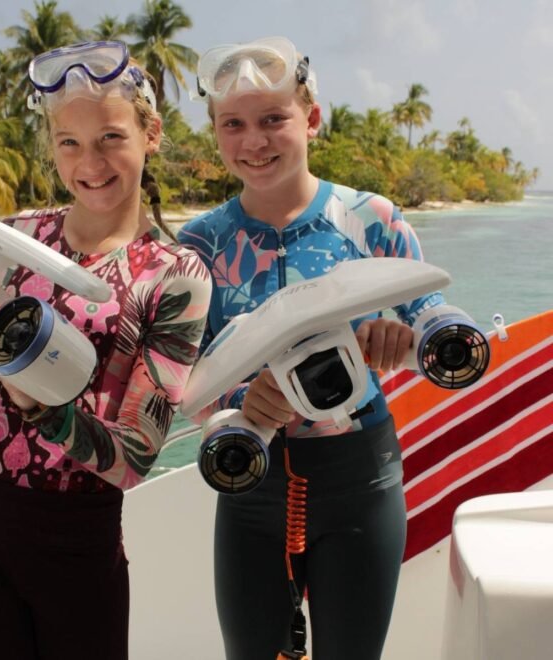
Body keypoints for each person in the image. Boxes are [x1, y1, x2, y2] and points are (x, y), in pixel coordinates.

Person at [0, 40, 211, 660]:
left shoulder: (176, 275)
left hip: (72, 533)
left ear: (150, 134)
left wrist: (45, 407)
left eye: (110, 138)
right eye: (68, 142)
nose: (89, 162)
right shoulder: (15, 237)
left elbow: (132, 459)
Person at [177, 36, 445, 660]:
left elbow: (438, 330)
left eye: (274, 119)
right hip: (249, 481)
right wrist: (247, 398)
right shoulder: (200, 244)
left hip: (362, 480)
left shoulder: (372, 219)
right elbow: (181, 378)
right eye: (233, 125)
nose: (254, 141)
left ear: (313, 119)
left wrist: (398, 342)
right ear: (216, 134)